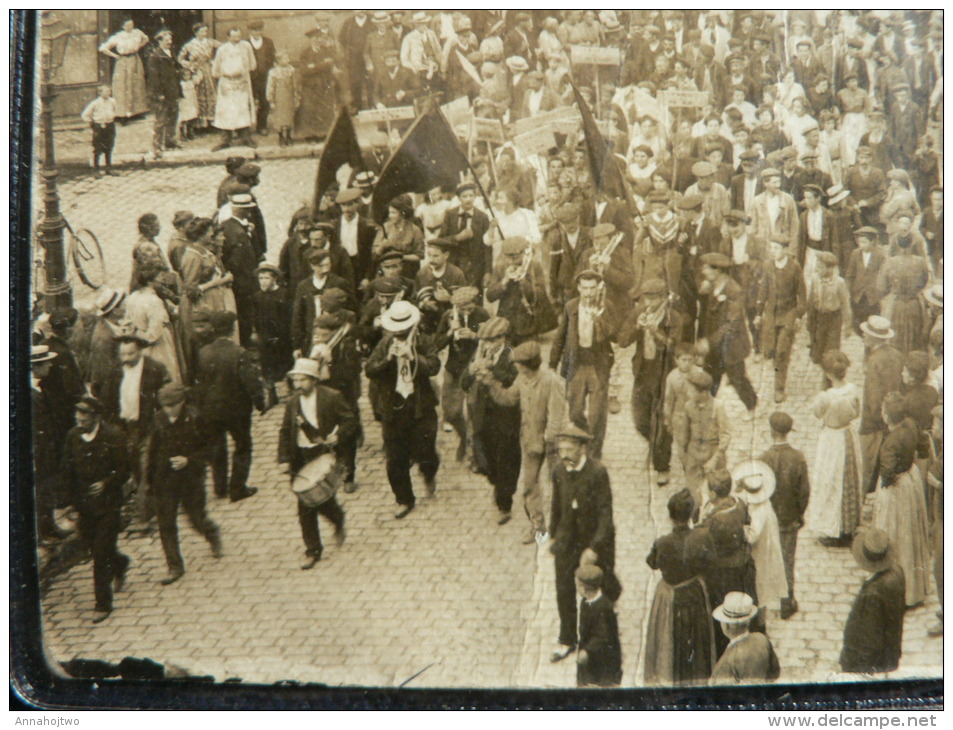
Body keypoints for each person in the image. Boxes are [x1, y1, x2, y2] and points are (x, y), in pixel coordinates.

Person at [548, 424, 621, 664]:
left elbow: (605, 513)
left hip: (594, 540)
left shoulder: (598, 472)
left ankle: (604, 632)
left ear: (582, 448)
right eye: (561, 450)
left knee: (602, 583)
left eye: (569, 449)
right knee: (563, 589)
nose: (564, 454)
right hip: (567, 541)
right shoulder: (558, 470)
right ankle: (567, 639)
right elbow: (556, 505)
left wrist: (594, 547)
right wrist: (553, 535)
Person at [278, 358, 356, 570]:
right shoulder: (293, 403)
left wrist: (338, 436)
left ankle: (336, 519)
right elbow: (285, 431)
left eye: (303, 379)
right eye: (295, 380)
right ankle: (313, 549)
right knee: (305, 504)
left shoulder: (331, 397)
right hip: (299, 456)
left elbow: (350, 420)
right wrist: (284, 459)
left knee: (317, 500)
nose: (298, 384)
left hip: (321, 453)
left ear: (313, 379)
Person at [364, 302, 440, 519]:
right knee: (395, 459)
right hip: (393, 407)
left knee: (425, 452)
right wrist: (388, 359)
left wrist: (413, 356)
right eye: (395, 331)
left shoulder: (423, 341)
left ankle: (428, 473)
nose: (399, 334)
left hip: (419, 407)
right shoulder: (385, 343)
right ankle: (404, 499)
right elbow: (369, 369)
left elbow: (434, 366)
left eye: (403, 331)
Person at [61, 396, 131, 623]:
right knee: (95, 547)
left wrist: (106, 484)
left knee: (101, 555)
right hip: (84, 507)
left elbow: (124, 470)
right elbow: (67, 471)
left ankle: (103, 603)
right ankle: (120, 563)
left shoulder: (113, 436)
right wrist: (70, 503)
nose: (80, 419)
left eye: (86, 416)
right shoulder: (72, 437)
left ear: (97, 417)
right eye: (78, 415)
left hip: (108, 505)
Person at [148, 383, 221, 585]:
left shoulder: (195, 418)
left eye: (172, 405)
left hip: (191, 479)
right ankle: (174, 566)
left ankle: (211, 532)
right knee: (166, 524)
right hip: (165, 480)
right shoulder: (157, 420)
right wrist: (148, 482)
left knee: (196, 518)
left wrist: (189, 460)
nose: (168, 409)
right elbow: (151, 451)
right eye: (165, 405)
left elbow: (212, 448)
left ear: (182, 402)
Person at [97, 335, 171, 535]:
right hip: (124, 429)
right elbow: (104, 397)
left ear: (140, 351)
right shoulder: (114, 371)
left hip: (147, 427)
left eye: (131, 353)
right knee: (136, 469)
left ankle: (143, 518)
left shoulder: (155, 370)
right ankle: (153, 505)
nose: (126, 358)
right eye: (122, 354)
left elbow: (166, 397)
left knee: (146, 468)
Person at [644, 488, 716, 686]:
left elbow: (652, 562)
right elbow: (710, 561)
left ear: (670, 516)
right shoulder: (702, 537)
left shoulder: (662, 542)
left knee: (669, 640)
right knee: (696, 641)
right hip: (694, 593)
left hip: (670, 598)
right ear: (692, 514)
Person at [616, 278, 682, 485]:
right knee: (640, 420)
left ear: (664, 298)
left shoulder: (674, 317)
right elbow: (622, 340)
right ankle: (657, 444)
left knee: (662, 421)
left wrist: (656, 333)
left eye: (654, 299)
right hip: (643, 372)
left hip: (665, 374)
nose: (649, 303)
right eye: (646, 298)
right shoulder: (638, 312)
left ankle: (662, 465)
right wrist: (637, 327)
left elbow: (675, 348)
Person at [193, 310, 260, 503]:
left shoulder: (203, 353)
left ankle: (220, 487)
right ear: (232, 329)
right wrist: (260, 402)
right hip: (237, 410)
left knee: (216, 447)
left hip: (211, 410)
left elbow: (198, 383)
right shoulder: (239, 353)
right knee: (243, 446)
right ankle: (237, 488)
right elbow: (251, 382)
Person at [873, 392, 931, 608]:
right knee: (910, 534)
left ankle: (897, 591)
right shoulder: (912, 424)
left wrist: (886, 483)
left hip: (897, 488)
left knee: (896, 534)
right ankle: (914, 587)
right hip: (911, 480)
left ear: (887, 417)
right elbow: (923, 446)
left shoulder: (890, 442)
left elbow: (887, 472)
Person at [461, 317, 521, 525]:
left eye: (490, 341)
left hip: (506, 418)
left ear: (502, 338)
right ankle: (497, 483)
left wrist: (491, 370)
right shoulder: (479, 354)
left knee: (506, 462)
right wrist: (471, 369)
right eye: (483, 341)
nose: (486, 345)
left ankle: (504, 504)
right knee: (487, 461)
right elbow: (463, 383)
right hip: (482, 417)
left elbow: (512, 380)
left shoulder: (512, 356)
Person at [760, 412, 811, 619]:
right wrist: (800, 514)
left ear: (772, 431)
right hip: (789, 519)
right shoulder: (798, 457)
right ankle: (786, 603)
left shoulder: (764, 458)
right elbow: (804, 491)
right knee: (787, 560)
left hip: (769, 519)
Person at [697, 253, 758, 416]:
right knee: (710, 375)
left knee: (738, 379)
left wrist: (709, 342)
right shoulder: (711, 286)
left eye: (707, 268)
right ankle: (708, 407)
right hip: (715, 344)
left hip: (731, 346)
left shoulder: (734, 291)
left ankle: (751, 406)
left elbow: (731, 325)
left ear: (718, 271)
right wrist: (703, 295)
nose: (703, 270)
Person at [839, 528, 906, 674]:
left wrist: (853, 670)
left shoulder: (872, 595)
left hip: (870, 665)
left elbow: (868, 642)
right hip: (890, 653)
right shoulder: (897, 570)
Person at [434, 286, 489, 464]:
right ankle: (465, 437)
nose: (467, 312)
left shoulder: (482, 314)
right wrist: (450, 332)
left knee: (474, 411)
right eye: (463, 309)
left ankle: (473, 451)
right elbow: (436, 345)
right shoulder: (448, 316)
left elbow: (493, 340)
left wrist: (474, 336)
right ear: (456, 307)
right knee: (450, 412)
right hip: (454, 368)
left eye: (470, 308)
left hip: (474, 368)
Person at [732, 461, 787, 612]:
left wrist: (738, 527)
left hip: (762, 551)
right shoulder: (765, 503)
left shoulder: (760, 511)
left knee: (761, 584)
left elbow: (751, 536)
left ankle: (760, 619)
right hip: (765, 547)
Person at [755, 239, 805, 404]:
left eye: (776, 248)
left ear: (785, 249)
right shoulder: (768, 265)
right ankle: (776, 364)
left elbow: (802, 293)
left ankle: (779, 387)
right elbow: (763, 290)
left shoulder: (794, 267)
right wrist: (758, 312)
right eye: (772, 247)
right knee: (770, 349)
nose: (773, 251)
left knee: (782, 351)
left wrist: (798, 315)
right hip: (771, 314)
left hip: (788, 313)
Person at [860, 316, 904, 495]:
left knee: (868, 460)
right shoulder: (896, 354)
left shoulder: (874, 360)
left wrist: (874, 420)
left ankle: (866, 493)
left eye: (866, 334)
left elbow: (873, 396)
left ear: (874, 338)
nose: (863, 336)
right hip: (893, 414)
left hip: (874, 422)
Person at [32, 345, 72, 541]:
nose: (50, 365)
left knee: (47, 488)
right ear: (35, 367)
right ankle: (42, 532)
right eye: (46, 362)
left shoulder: (39, 386)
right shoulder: (29, 394)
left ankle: (49, 527)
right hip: (38, 451)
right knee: (40, 490)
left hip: (46, 448)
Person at [486, 236, 555, 346]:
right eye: (507, 257)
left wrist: (523, 281)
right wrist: (504, 281)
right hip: (506, 322)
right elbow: (489, 296)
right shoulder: (500, 267)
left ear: (524, 253)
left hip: (529, 323)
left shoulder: (534, 266)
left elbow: (541, 295)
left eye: (515, 257)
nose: (511, 261)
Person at [125, 264, 183, 384]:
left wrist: (136, 332)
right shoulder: (154, 302)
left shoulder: (132, 297)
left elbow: (127, 322)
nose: (164, 283)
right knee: (168, 375)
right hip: (158, 348)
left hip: (141, 347)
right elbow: (154, 335)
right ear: (150, 282)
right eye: (161, 279)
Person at [709, 592, 780, 684]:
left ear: (726, 625)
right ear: (748, 621)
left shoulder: (725, 663)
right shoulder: (762, 639)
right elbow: (775, 673)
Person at [251, 263, 293, 410]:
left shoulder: (283, 294)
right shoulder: (257, 296)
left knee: (286, 362)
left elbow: (288, 317)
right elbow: (255, 316)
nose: (263, 281)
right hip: (265, 336)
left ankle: (292, 391)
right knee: (266, 364)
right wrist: (255, 331)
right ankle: (272, 393)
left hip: (282, 336)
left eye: (266, 278)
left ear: (274, 279)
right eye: (260, 278)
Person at [574, 564, 623, 688]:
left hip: (603, 658)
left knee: (600, 685)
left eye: (578, 586)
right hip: (590, 656)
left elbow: (603, 636)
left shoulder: (603, 607)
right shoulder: (585, 601)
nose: (577, 589)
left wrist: (587, 651)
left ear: (585, 589)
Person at [211, 28, 258, 151]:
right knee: (226, 111)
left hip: (242, 82)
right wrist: (226, 73)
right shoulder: (222, 49)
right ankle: (225, 139)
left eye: (239, 36)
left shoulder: (246, 46)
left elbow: (253, 63)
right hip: (226, 83)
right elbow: (215, 69)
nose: (237, 39)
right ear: (228, 37)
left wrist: (243, 71)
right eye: (234, 37)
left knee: (242, 109)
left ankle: (246, 137)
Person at [440, 183, 492, 290]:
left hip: (475, 268)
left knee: (474, 300)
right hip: (454, 265)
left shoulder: (482, 217)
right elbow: (440, 240)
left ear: (475, 197)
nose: (468, 199)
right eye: (464, 196)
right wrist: (457, 237)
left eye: (471, 196)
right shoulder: (450, 215)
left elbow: (487, 247)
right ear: (459, 198)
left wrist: (487, 271)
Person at [297, 17, 341, 142]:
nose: (317, 41)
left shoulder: (326, 51)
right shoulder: (305, 53)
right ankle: (310, 135)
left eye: (319, 38)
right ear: (310, 40)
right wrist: (320, 65)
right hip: (310, 85)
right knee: (310, 109)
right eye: (314, 39)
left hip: (325, 83)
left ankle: (323, 133)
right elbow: (304, 71)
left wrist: (315, 66)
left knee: (325, 109)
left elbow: (330, 64)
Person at [807, 251, 852, 368]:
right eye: (817, 266)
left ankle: (829, 377)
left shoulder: (839, 283)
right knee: (818, 348)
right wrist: (809, 320)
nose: (817, 269)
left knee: (832, 350)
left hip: (834, 319)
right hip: (819, 318)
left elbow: (845, 305)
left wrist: (848, 326)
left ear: (830, 268)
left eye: (821, 267)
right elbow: (812, 299)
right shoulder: (815, 278)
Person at [98, 18, 149, 120]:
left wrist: (138, 46)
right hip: (123, 61)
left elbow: (146, 39)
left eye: (131, 24)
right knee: (122, 86)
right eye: (128, 25)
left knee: (137, 84)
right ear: (123, 26)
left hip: (135, 59)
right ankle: (122, 114)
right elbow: (103, 48)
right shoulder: (119, 37)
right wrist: (115, 56)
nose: (130, 27)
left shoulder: (137, 33)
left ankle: (137, 112)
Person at [177, 23, 222, 132]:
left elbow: (224, 47)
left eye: (206, 31)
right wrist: (189, 65)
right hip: (197, 72)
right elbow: (180, 58)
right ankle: (198, 125)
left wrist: (216, 61)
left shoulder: (210, 42)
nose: (204, 33)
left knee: (212, 93)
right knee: (197, 96)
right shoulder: (190, 45)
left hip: (209, 70)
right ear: (196, 33)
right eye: (202, 31)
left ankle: (212, 122)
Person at [334, 188, 379, 291]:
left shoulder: (367, 226)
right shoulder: (334, 226)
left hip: (360, 268)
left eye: (350, 205)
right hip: (341, 269)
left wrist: (368, 277)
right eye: (343, 205)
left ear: (357, 204)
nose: (347, 209)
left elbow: (371, 255)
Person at [146, 30, 181, 157]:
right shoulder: (155, 56)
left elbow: (175, 70)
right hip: (162, 94)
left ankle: (170, 142)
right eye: (166, 40)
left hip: (172, 91)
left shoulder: (170, 53)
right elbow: (154, 78)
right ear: (160, 41)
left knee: (173, 117)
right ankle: (157, 147)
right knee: (161, 120)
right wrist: (158, 93)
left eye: (170, 40)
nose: (169, 43)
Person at [81, 84, 118, 175]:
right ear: (100, 93)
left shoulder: (112, 101)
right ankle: (96, 170)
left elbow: (114, 110)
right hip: (99, 126)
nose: (108, 93)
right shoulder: (95, 103)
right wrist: (92, 123)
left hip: (110, 126)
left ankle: (108, 169)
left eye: (109, 91)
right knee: (98, 148)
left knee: (109, 147)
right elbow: (85, 115)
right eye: (106, 91)